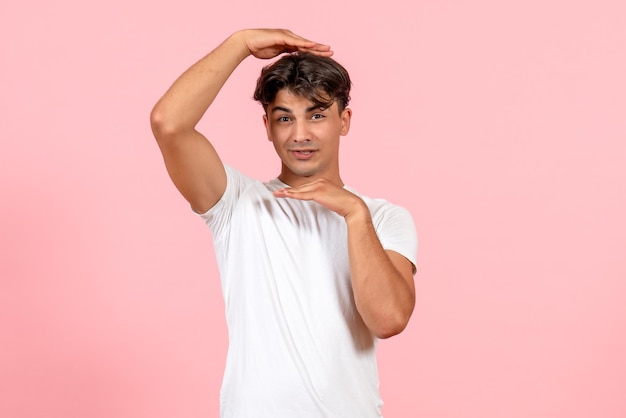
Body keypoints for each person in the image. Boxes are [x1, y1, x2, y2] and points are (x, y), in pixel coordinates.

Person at [150, 28, 418, 418]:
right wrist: (239, 44)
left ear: (344, 121)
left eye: (317, 115)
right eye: (284, 118)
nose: (301, 134)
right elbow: (168, 124)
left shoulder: (382, 216)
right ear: (267, 128)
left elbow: (388, 319)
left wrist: (354, 214)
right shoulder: (237, 203)